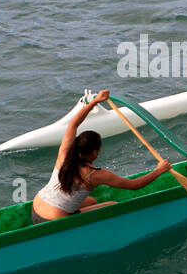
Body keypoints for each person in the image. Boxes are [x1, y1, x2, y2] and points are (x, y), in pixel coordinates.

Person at [32, 89, 172, 223]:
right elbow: (134, 185)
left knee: (92, 201)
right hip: (53, 221)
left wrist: (94, 102)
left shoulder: (65, 154)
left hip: (36, 209)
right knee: (112, 204)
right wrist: (159, 170)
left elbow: (73, 125)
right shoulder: (95, 175)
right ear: (94, 152)